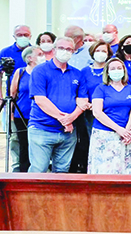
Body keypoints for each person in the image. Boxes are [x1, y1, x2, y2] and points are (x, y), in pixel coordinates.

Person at [28, 37, 88, 173]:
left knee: (62, 171)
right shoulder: (40, 71)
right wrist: (63, 119)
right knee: (39, 170)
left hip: (67, 133)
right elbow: (40, 100)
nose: (65, 51)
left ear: (73, 51)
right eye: (61, 48)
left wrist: (70, 119)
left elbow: (83, 101)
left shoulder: (77, 74)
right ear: (54, 50)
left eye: (68, 49)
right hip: (42, 129)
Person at [88, 58, 131, 174]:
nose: (116, 70)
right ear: (107, 72)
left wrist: (130, 131)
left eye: (119, 68)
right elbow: (97, 112)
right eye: (113, 68)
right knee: (105, 170)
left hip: (125, 136)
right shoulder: (101, 88)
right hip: (104, 135)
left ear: (124, 71)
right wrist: (119, 129)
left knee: (124, 169)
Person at [10, 46, 44, 172]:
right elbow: (13, 93)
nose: (43, 56)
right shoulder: (21, 72)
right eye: (39, 54)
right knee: (24, 145)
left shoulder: (43, 71)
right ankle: (24, 172)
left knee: (39, 145)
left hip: (40, 115)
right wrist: (11, 115)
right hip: (22, 114)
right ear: (30, 58)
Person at [81, 42, 114, 138]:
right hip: (90, 113)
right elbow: (81, 90)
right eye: (97, 51)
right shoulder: (85, 71)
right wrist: (87, 103)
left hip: (109, 111)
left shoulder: (112, 70)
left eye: (103, 51)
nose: (100, 53)